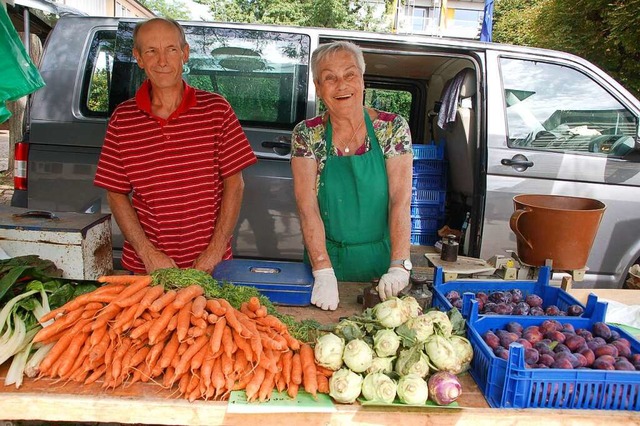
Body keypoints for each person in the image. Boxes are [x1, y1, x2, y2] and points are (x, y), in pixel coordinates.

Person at [94, 18, 257, 274]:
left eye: (171, 49)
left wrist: (213, 252)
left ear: (185, 53)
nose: (162, 61)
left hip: (209, 266)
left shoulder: (217, 110)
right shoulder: (123, 119)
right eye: (151, 51)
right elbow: (116, 193)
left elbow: (235, 184)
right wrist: (148, 254)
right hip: (146, 267)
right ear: (138, 57)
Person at [291, 41, 413, 311]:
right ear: (318, 87)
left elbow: (400, 199)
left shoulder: (391, 128)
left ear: (362, 80)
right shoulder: (307, 134)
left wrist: (399, 264)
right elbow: (306, 204)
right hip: (325, 260)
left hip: (380, 264)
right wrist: (322, 269)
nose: (341, 85)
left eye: (350, 75)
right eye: (329, 78)